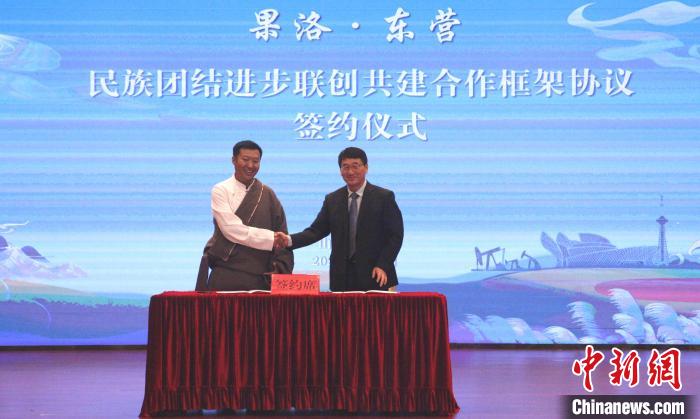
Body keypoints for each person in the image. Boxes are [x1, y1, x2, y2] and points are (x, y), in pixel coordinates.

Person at [278, 147, 403, 291]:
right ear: (340, 170)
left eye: (355, 166)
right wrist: (288, 240)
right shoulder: (332, 199)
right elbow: (316, 231)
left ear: (366, 167)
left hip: (376, 275)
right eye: (346, 167)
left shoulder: (384, 197)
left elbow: (395, 236)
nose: (350, 172)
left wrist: (383, 264)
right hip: (342, 277)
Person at [195, 140, 293, 291]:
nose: (251, 166)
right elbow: (231, 229)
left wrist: (280, 267)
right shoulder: (220, 190)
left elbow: (282, 232)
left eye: (256, 161)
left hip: (260, 277)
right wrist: (272, 239)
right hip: (226, 273)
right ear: (233, 160)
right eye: (245, 160)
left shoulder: (267, 194)